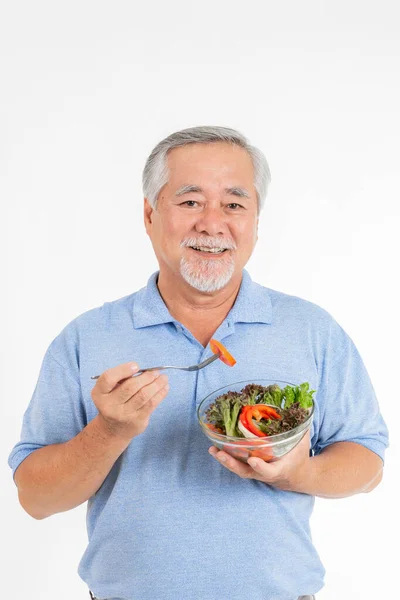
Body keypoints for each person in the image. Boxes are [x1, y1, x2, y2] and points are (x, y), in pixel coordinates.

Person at [8, 126, 388, 600]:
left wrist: (297, 473)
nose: (212, 223)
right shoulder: (86, 338)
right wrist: (109, 431)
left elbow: (370, 464)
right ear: (149, 215)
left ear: (255, 220)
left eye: (234, 204)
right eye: (190, 202)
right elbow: (36, 500)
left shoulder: (311, 330)